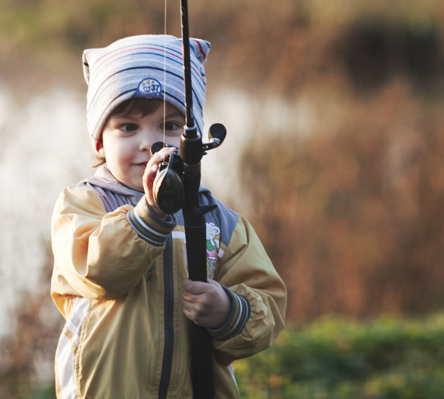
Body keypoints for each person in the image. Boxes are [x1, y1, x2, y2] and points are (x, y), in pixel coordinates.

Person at [51, 34, 286, 399]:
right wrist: (149, 214)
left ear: (194, 139)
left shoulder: (221, 223)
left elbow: (268, 307)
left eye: (170, 126)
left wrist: (228, 311)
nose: (150, 142)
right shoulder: (83, 204)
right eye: (128, 127)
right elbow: (96, 272)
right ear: (99, 141)